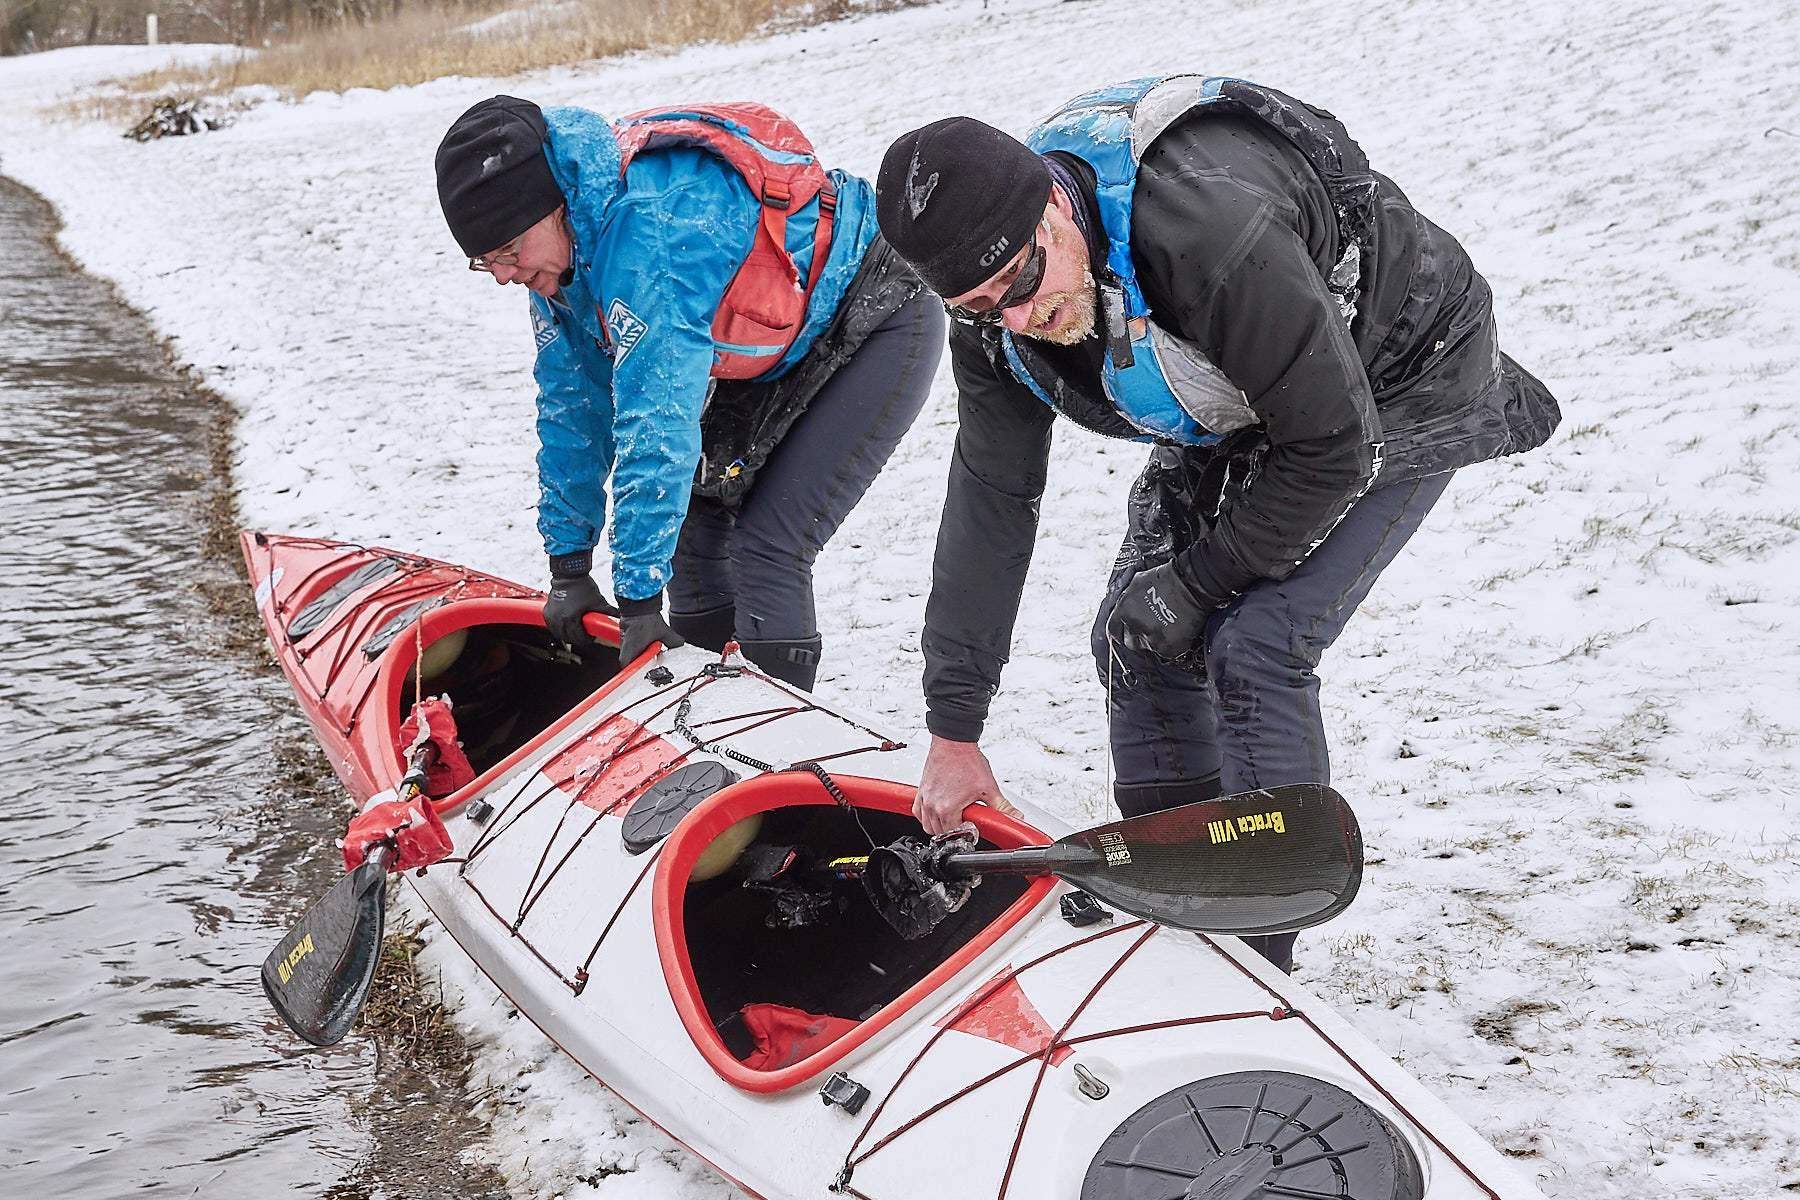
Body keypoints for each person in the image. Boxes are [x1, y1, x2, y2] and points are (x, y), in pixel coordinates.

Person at [875, 75, 1560, 971]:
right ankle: (1187, 913)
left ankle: (1262, 956)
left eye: (1022, 277)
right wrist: (954, 728)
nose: (1020, 316)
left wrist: (1200, 583)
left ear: (1053, 200)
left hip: (1395, 377)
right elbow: (990, 500)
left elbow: (1330, 445)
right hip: (1235, 392)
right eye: (979, 307)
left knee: (1258, 642)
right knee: (1137, 636)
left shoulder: (1204, 231)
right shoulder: (1001, 323)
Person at [435, 96, 943, 687]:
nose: (502, 274)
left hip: (876, 312)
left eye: (507, 253)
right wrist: (569, 565)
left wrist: (638, 601)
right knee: (694, 535)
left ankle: (771, 748)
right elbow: (572, 410)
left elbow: (657, 422)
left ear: (553, 210)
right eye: (484, 262)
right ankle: (700, 726)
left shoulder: (650, 234)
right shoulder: (562, 258)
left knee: (767, 548)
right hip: (767, 350)